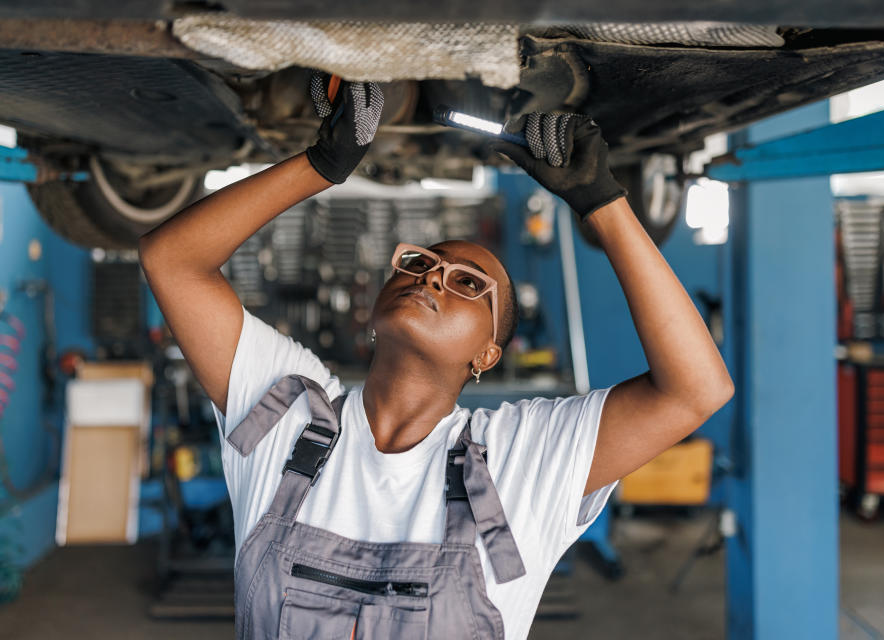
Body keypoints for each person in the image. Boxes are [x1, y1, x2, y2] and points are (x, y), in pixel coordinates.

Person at [139, 78, 733, 640]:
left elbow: (695, 389)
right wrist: (319, 166)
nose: (434, 278)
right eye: (420, 264)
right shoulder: (287, 417)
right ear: (375, 308)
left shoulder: (518, 460)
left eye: (469, 284)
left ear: (488, 354)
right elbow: (172, 261)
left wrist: (604, 204)